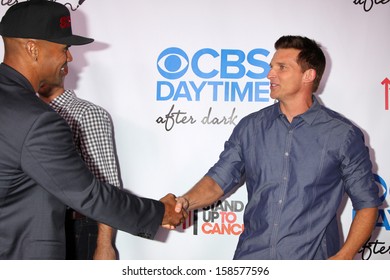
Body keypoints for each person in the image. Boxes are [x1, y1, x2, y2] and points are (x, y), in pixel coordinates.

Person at [0, 0, 185, 260]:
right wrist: (160, 213)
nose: (69, 57)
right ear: (33, 49)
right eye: (64, 48)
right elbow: (88, 194)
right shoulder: (37, 119)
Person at [175, 35, 381, 260]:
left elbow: (367, 204)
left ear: (308, 75)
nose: (270, 74)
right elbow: (217, 181)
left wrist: (343, 258)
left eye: (282, 67)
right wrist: (185, 201)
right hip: (252, 261)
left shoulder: (342, 134)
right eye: (271, 67)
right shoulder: (250, 128)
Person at [38, 75, 121, 260]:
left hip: (76, 228)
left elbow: (106, 184)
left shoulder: (86, 113)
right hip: (34, 228)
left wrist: (105, 244)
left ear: (63, 66)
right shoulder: (23, 113)